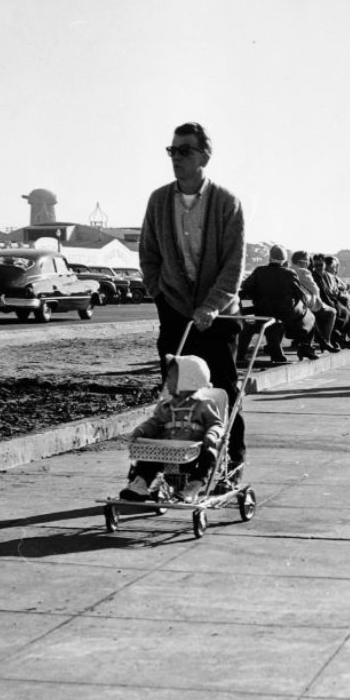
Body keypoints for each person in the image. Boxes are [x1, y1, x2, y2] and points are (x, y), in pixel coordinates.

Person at [138, 121, 247, 477]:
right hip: (174, 311)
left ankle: (231, 460)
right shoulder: (159, 201)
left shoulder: (226, 203)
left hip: (219, 317)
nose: (176, 157)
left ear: (205, 156)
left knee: (222, 391)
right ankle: (170, 467)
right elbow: (148, 254)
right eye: (172, 150)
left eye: (185, 150)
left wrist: (212, 305)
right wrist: (160, 295)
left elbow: (233, 264)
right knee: (174, 393)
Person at [119, 355, 226, 504]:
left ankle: (193, 487)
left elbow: (216, 423)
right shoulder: (167, 405)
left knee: (209, 454)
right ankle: (140, 484)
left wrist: (212, 434)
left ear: (186, 381)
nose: (166, 381)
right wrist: (142, 430)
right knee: (148, 455)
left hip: (193, 453)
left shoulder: (204, 404)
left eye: (170, 377)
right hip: (168, 452)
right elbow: (155, 422)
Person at [239, 244, 318, 362]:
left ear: (270, 258)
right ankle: (305, 346)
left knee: (257, 325)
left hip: (258, 312)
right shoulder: (289, 273)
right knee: (310, 317)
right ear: (284, 260)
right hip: (283, 314)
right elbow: (300, 295)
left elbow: (244, 291)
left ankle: (240, 354)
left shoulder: (259, 271)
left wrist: (248, 312)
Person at [290, 250, 339, 353]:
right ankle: (326, 341)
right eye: (308, 261)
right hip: (306, 304)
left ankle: (320, 342)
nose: (309, 264)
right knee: (332, 312)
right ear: (303, 261)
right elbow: (315, 290)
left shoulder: (289, 270)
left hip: (294, 304)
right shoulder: (303, 272)